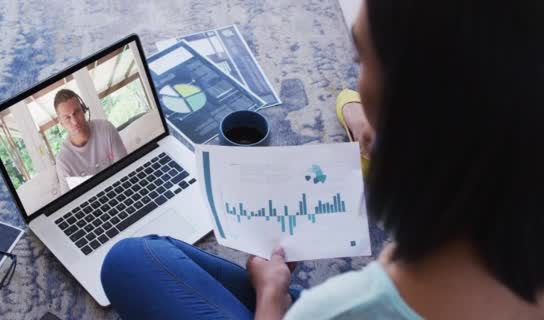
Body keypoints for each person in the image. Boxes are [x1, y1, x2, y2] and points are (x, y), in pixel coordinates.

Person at [100, 0, 544, 318]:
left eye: (362, 60)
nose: (358, 82)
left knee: (128, 262)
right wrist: (374, 122)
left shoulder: (339, 309)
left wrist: (273, 300)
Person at [54, 89, 128, 192]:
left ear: (84, 109)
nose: (74, 121)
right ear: (61, 123)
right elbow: (70, 201)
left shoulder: (106, 128)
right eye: (67, 117)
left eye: (76, 112)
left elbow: (126, 169)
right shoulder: (63, 160)